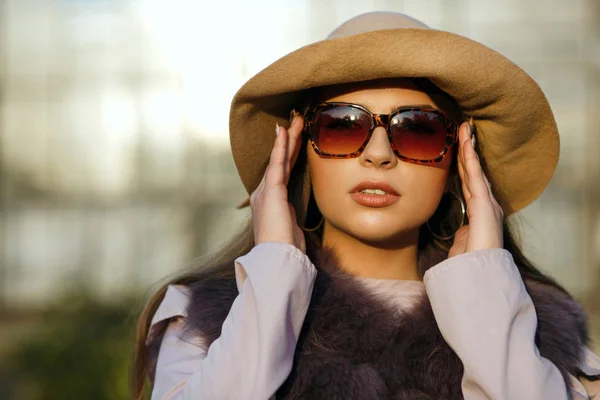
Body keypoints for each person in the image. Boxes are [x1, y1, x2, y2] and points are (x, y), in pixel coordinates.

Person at [131, 12, 600, 400]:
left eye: (418, 129)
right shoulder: (203, 320)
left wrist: (486, 289)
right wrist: (274, 268)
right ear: (300, 153)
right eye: (342, 125)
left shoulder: (544, 337)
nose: (379, 154)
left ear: (459, 160)